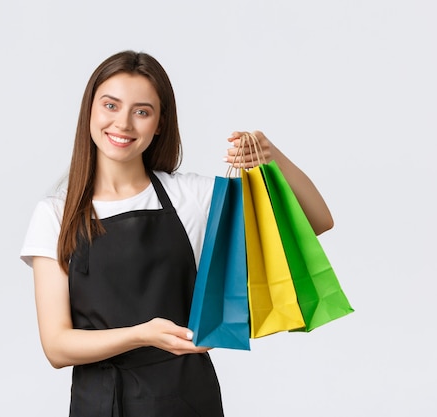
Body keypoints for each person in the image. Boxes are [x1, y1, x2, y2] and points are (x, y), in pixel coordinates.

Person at [20, 50, 333, 417]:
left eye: (141, 111)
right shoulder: (56, 214)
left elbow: (316, 220)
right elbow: (57, 346)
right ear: (90, 109)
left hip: (186, 400)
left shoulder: (194, 198)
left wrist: (271, 155)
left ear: (159, 124)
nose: (122, 123)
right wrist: (142, 334)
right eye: (110, 105)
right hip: (100, 404)